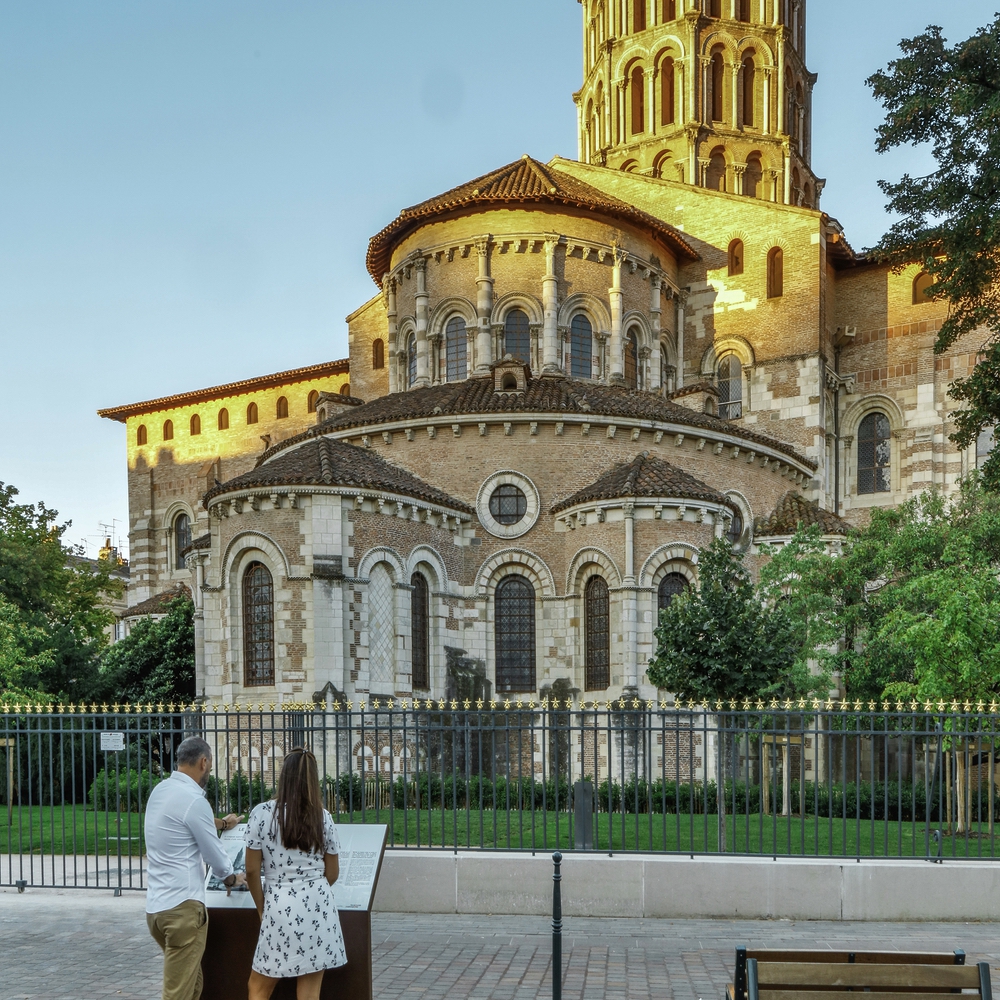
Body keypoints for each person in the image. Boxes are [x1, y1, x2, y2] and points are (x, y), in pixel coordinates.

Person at [144, 736, 248, 1000]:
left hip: (156, 911)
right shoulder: (194, 800)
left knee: (194, 987)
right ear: (203, 762)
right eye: (210, 768)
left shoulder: (161, 791)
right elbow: (215, 856)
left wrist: (224, 823)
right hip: (183, 913)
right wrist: (232, 877)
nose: (208, 774)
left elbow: (185, 820)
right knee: (178, 995)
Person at [245, 747, 346, 1000]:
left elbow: (251, 869)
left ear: (283, 776)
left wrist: (262, 907)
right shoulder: (323, 818)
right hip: (317, 906)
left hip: (279, 904)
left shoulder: (262, 814)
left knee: (259, 986)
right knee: (309, 992)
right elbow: (332, 872)